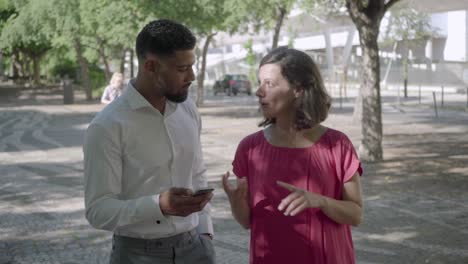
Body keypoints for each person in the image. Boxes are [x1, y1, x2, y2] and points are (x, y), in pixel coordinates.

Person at [83, 19, 215, 264]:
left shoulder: (188, 110)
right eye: (181, 68)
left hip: (196, 247)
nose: (192, 76)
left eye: (192, 66)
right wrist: (159, 206)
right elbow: (98, 210)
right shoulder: (107, 126)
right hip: (138, 255)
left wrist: (205, 232)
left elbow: (197, 173)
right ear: (151, 66)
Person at [222, 47, 363, 264]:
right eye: (259, 83)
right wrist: (236, 202)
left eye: (269, 84)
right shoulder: (249, 148)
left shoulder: (337, 145)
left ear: (298, 89)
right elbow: (247, 222)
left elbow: (355, 214)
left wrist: (321, 201)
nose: (259, 91)